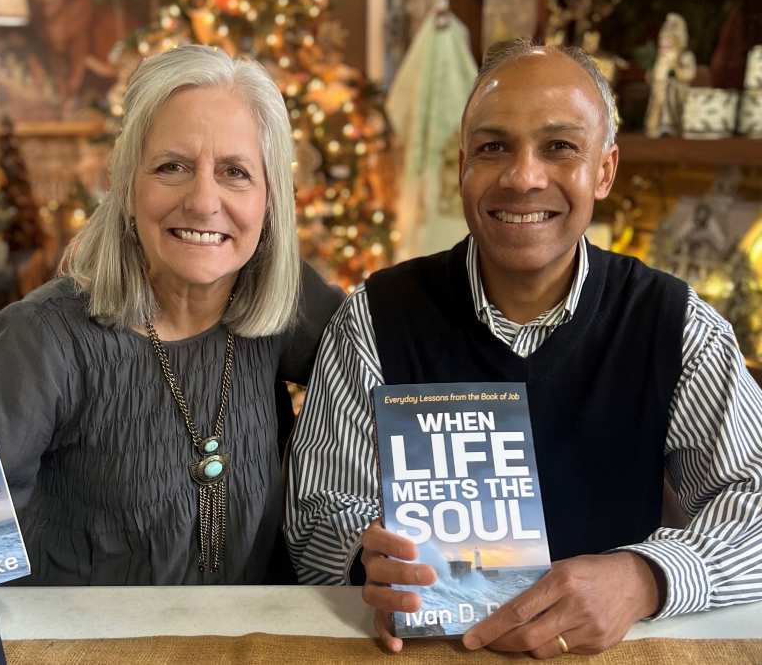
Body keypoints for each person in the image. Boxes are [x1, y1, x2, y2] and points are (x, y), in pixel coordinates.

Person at [285, 40, 762, 658]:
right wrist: (362, 558)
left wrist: (647, 578)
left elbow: (752, 500)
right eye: (493, 147)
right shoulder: (375, 318)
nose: (522, 177)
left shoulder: (676, 326)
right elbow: (317, 515)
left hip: (616, 651)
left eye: (560, 147)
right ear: (462, 165)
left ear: (605, 170)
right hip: (427, 651)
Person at [0, 44, 343, 585]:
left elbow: (407, 386)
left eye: (235, 172)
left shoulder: (288, 304)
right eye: (172, 167)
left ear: (269, 202)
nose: (202, 200)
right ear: (127, 187)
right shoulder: (38, 340)